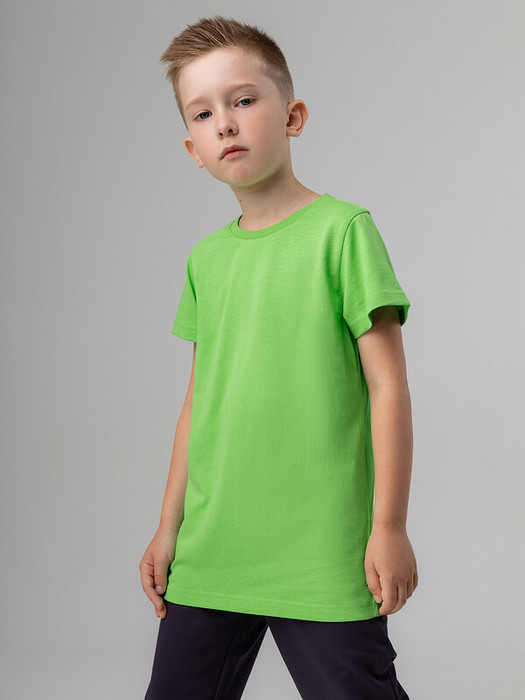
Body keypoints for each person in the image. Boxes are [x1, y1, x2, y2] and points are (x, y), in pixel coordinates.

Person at [139, 14, 418, 700]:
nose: (225, 123)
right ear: (193, 149)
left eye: (243, 99)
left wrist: (388, 526)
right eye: (203, 113)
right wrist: (167, 528)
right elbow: (199, 401)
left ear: (291, 116)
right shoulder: (206, 259)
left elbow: (387, 386)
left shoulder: (342, 232)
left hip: (321, 551)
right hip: (214, 550)